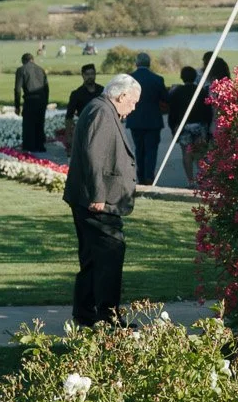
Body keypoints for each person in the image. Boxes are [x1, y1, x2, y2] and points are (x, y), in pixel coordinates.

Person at [63, 73, 139, 325]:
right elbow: (93, 156)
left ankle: (85, 314)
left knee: (93, 258)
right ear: (122, 95)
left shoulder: (101, 109)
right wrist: (98, 195)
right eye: (133, 101)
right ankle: (108, 317)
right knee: (110, 254)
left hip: (89, 198)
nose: (134, 107)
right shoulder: (102, 112)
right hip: (97, 201)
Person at [125, 51, 167, 185]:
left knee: (139, 149)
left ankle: (140, 176)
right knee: (151, 150)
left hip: (135, 120)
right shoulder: (157, 79)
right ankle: (149, 176)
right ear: (149, 64)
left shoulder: (129, 79)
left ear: (137, 63)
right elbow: (165, 99)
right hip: (153, 120)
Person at [13, 52, 50, 153]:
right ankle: (40, 145)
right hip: (41, 99)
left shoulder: (21, 70)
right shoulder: (41, 69)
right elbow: (46, 88)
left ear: (23, 61)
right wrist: (45, 102)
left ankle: (29, 146)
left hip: (30, 99)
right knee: (40, 123)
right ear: (33, 60)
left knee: (28, 124)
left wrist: (17, 106)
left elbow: (17, 89)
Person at [166, 65, 196, 182]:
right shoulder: (201, 91)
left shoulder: (177, 92)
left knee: (187, 154)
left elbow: (172, 112)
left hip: (184, 126)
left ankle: (191, 180)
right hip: (200, 126)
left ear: (182, 77)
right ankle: (203, 180)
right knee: (200, 154)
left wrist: (173, 127)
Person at [64, 63, 102, 140]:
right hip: (84, 128)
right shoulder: (76, 94)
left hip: (101, 126)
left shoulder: (102, 91)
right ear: (83, 75)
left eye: (92, 74)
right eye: (87, 74)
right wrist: (68, 135)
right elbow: (69, 116)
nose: (90, 77)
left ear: (95, 75)